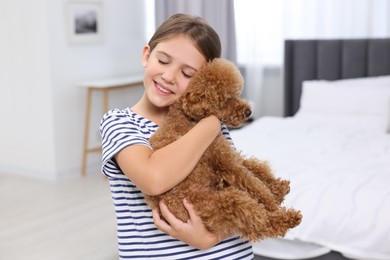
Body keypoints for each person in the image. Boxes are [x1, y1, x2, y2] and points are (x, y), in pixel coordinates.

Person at [100, 13, 254, 259]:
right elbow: (154, 179)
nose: (169, 76)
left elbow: (238, 192)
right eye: (163, 60)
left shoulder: (207, 127)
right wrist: (215, 119)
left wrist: (210, 238)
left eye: (188, 74)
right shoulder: (119, 123)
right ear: (146, 55)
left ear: (204, 82)